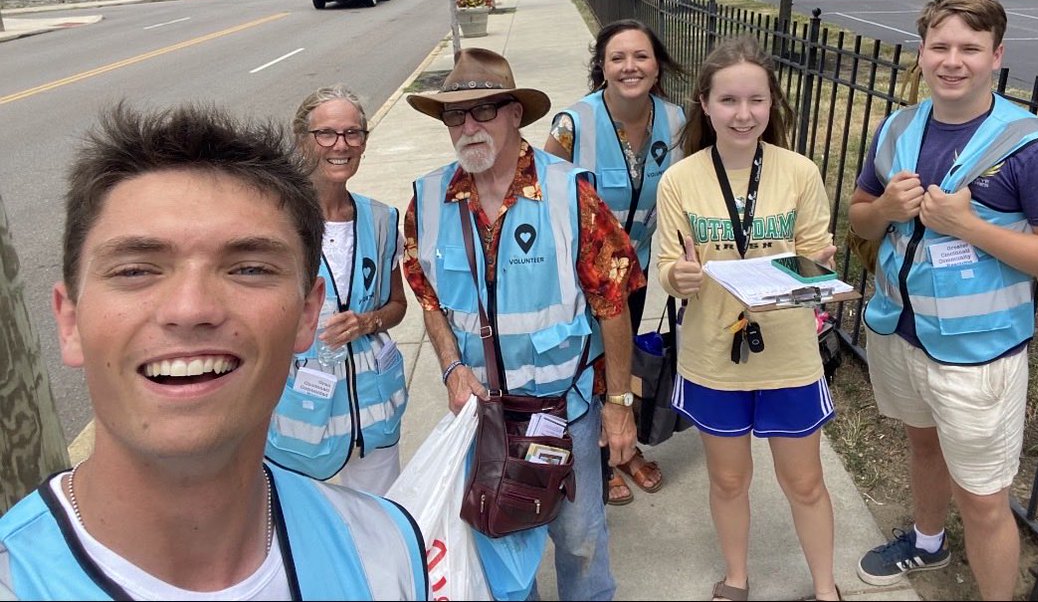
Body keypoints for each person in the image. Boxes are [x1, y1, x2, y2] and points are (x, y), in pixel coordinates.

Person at [0, 102, 428, 600]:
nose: (191, 308)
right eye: (136, 269)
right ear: (69, 321)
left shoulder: (386, 552)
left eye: (249, 268)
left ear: (306, 314)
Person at [849, 0, 1038, 600]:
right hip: (900, 332)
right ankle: (927, 543)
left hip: (979, 353)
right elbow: (859, 220)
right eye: (940, 46)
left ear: (996, 55)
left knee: (985, 501)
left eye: (970, 48)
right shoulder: (899, 126)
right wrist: (884, 207)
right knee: (922, 444)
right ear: (922, 52)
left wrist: (970, 227)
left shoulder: (1031, 148)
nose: (952, 61)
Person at [402, 47, 642, 602]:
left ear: (515, 114)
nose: (469, 126)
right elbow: (427, 293)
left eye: (484, 110)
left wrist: (619, 406)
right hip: (482, 414)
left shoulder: (569, 193)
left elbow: (612, 303)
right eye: (455, 115)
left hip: (562, 410)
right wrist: (451, 367)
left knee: (580, 538)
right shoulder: (428, 199)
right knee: (502, 539)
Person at [655, 35, 841, 602]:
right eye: (729, 101)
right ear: (705, 105)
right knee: (729, 479)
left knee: (805, 481)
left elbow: (814, 249)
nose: (743, 114)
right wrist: (678, 278)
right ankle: (736, 578)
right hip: (714, 353)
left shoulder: (799, 172)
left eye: (755, 101)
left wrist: (819, 268)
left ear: (772, 105)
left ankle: (826, 588)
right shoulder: (680, 179)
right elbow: (668, 263)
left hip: (787, 352)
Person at [545, 18, 686, 505]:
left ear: (657, 65)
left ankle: (625, 448)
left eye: (641, 56)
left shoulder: (676, 120)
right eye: (618, 58)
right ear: (601, 67)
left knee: (627, 361)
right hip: (583, 275)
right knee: (589, 362)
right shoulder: (571, 124)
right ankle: (597, 456)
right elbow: (547, 197)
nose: (630, 66)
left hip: (642, 267)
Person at [266, 85, 410, 494]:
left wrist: (368, 322)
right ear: (301, 140)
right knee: (308, 537)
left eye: (353, 133)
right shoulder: (273, 223)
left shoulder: (381, 219)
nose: (340, 145)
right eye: (326, 134)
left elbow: (397, 305)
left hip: (374, 412)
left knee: (376, 534)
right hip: (301, 420)